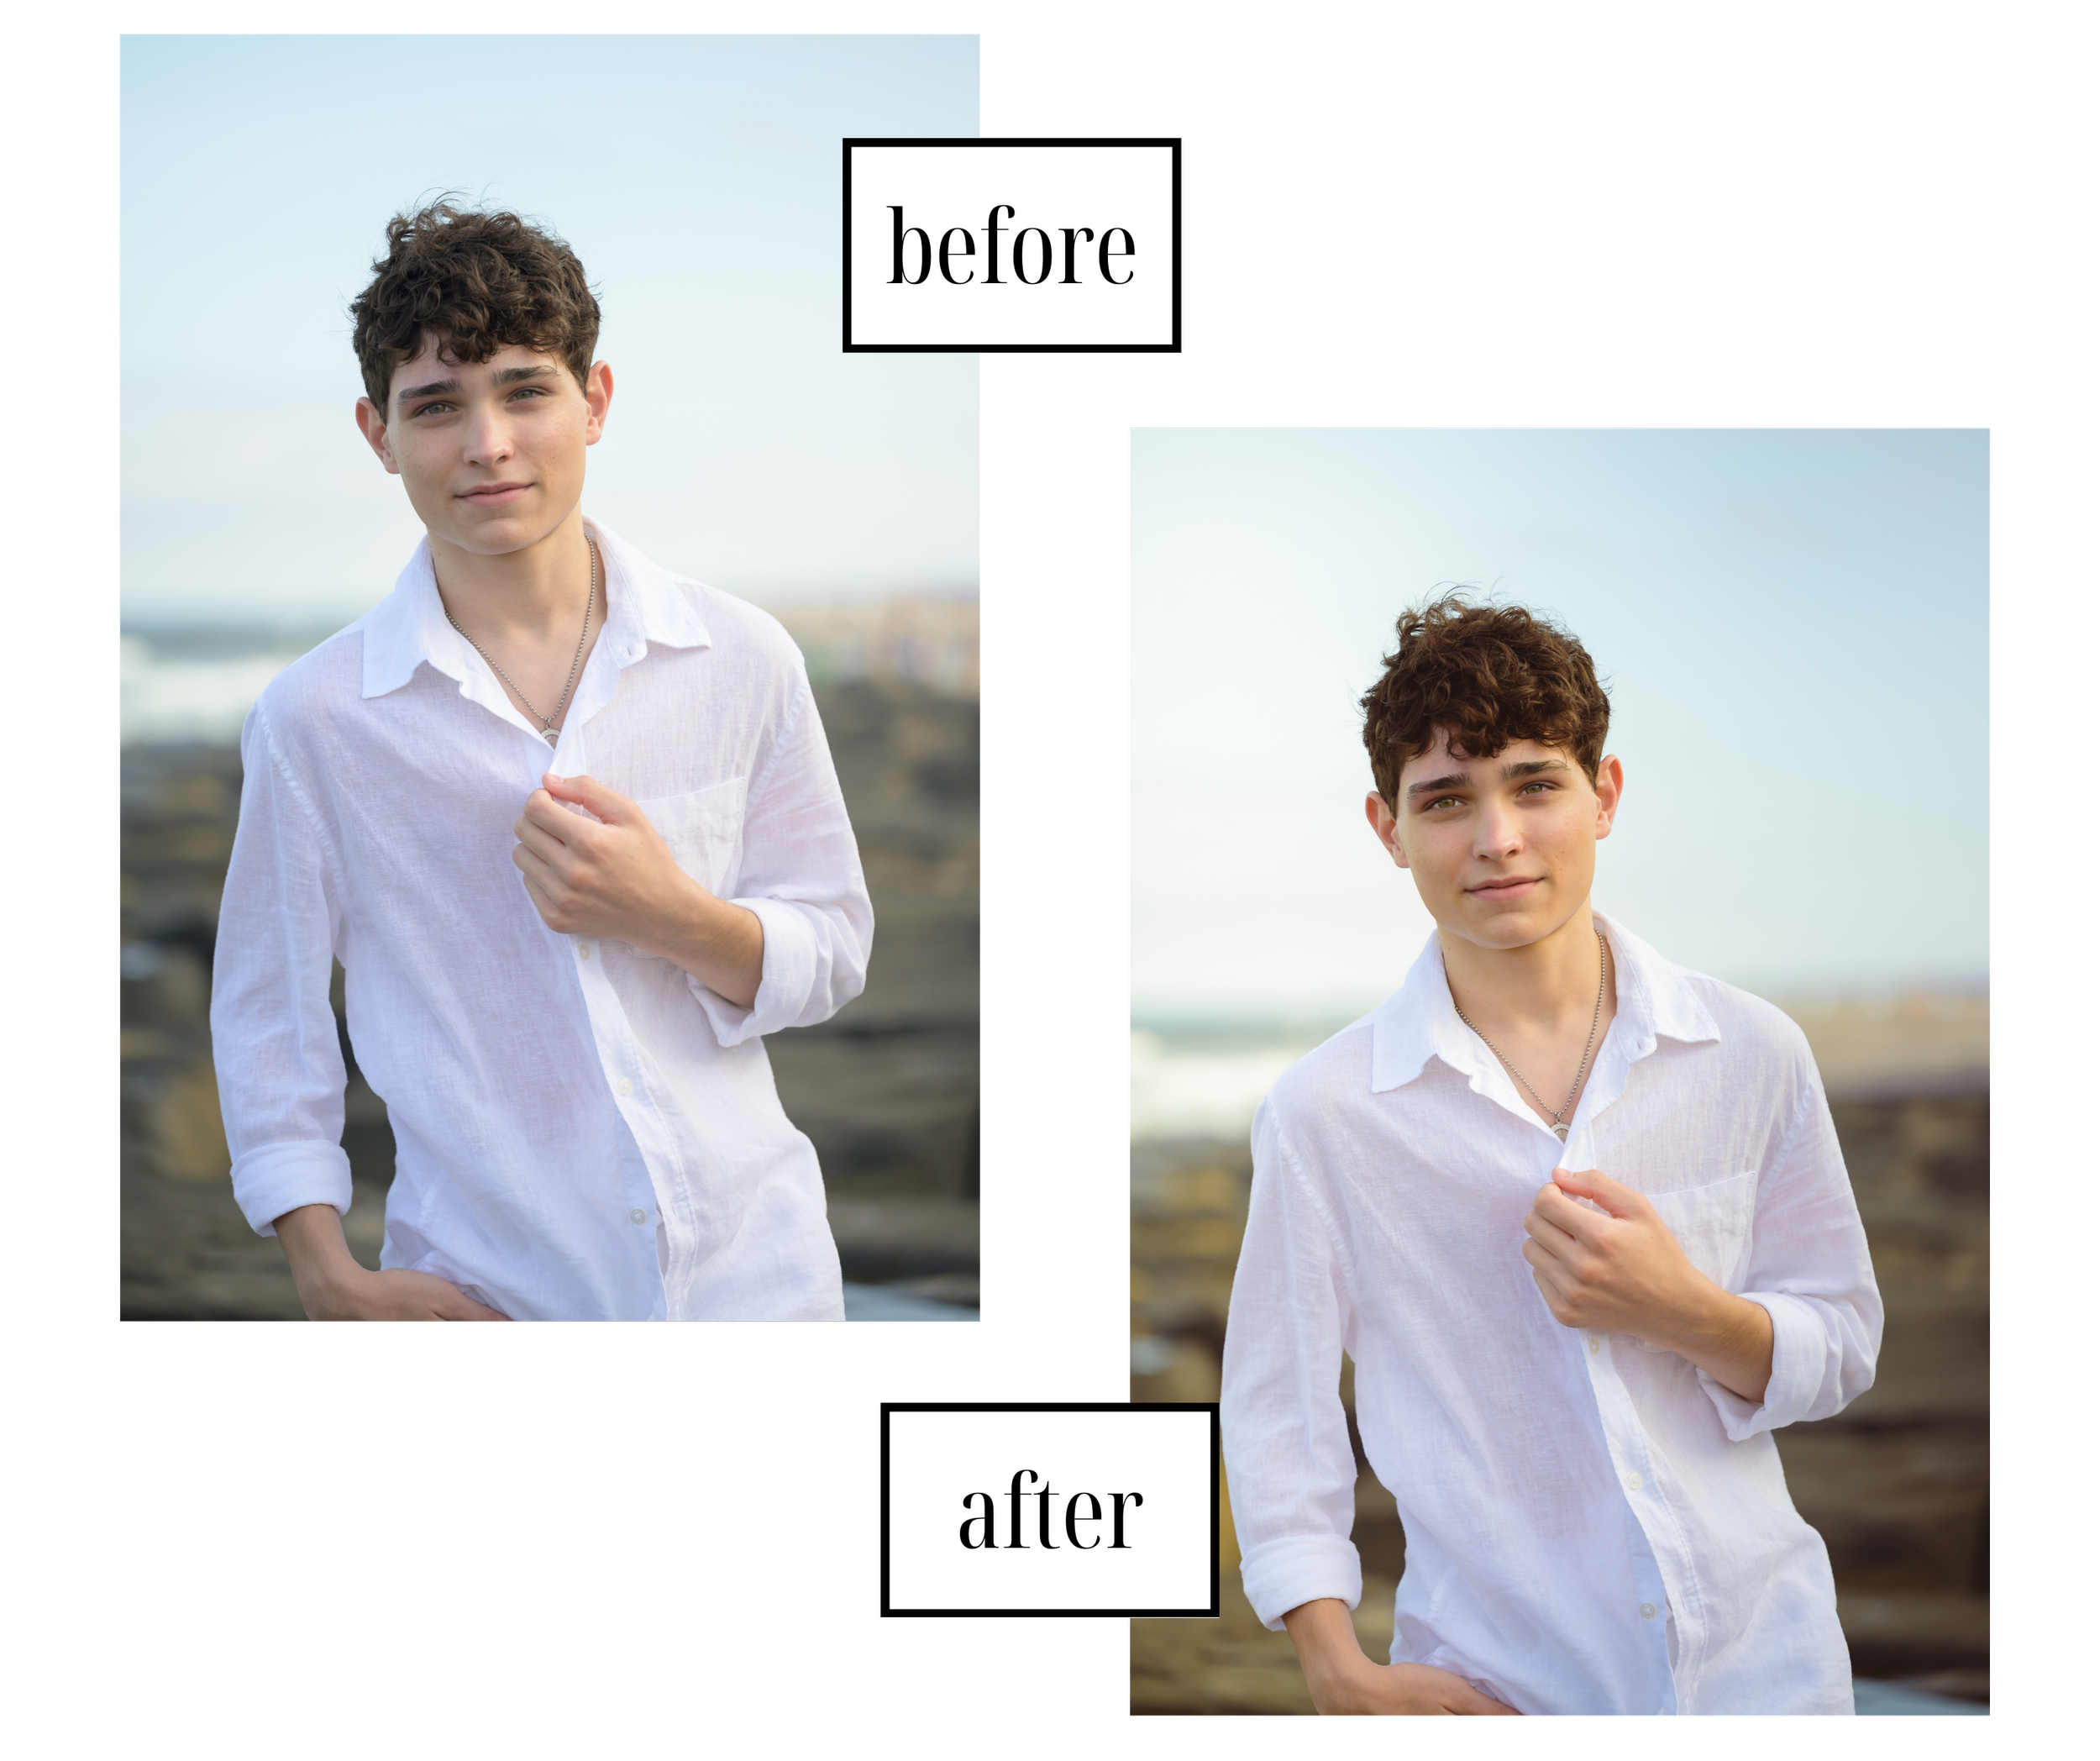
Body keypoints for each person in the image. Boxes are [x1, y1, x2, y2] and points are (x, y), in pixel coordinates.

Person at [210, 198, 872, 1320]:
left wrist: (672, 912)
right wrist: (327, 1280)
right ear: (378, 436)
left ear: (594, 400)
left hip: (761, 1281)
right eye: (436, 406)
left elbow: (836, 943)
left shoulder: (741, 656)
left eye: (525, 388)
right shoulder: (315, 721)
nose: (488, 444)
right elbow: (268, 1024)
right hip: (489, 1288)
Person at [1220, 592, 1880, 1714]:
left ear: (1604, 794)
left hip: (1770, 1675)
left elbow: (1846, 1338)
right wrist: (1337, 1674)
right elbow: (1278, 1421)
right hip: (1499, 1683)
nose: (1499, 838)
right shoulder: (1325, 1115)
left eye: (1534, 783)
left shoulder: (1752, 1051)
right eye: (1446, 800)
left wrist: (1686, 1309)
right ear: (1388, 829)